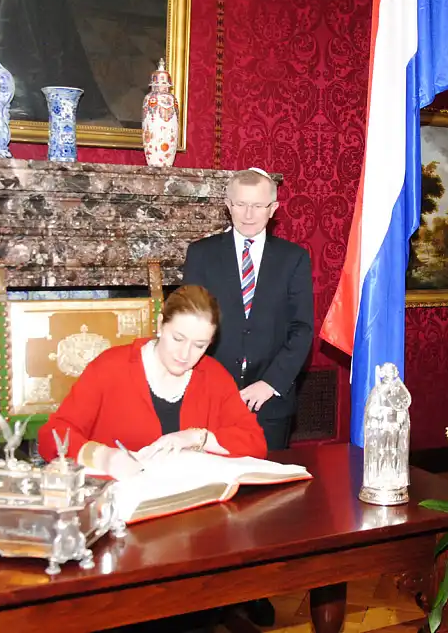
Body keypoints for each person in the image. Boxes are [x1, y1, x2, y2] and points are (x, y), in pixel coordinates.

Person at [182, 168, 314, 626]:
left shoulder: (294, 259)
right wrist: (216, 388)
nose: (251, 213)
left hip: (269, 399)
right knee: (214, 502)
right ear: (228, 205)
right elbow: (189, 326)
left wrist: (269, 383)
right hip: (210, 398)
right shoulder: (202, 255)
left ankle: (257, 589)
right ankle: (212, 596)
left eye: (261, 205)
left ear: (275, 209)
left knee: (263, 504)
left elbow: (301, 331)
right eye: (242, 203)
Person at [36, 284, 267, 471]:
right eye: (178, 338)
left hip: (189, 510)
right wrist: (103, 457)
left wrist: (196, 437)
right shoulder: (110, 367)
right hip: (118, 506)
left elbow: (255, 441)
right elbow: (51, 436)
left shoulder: (214, 376)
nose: (185, 355)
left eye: (199, 345)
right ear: (159, 325)